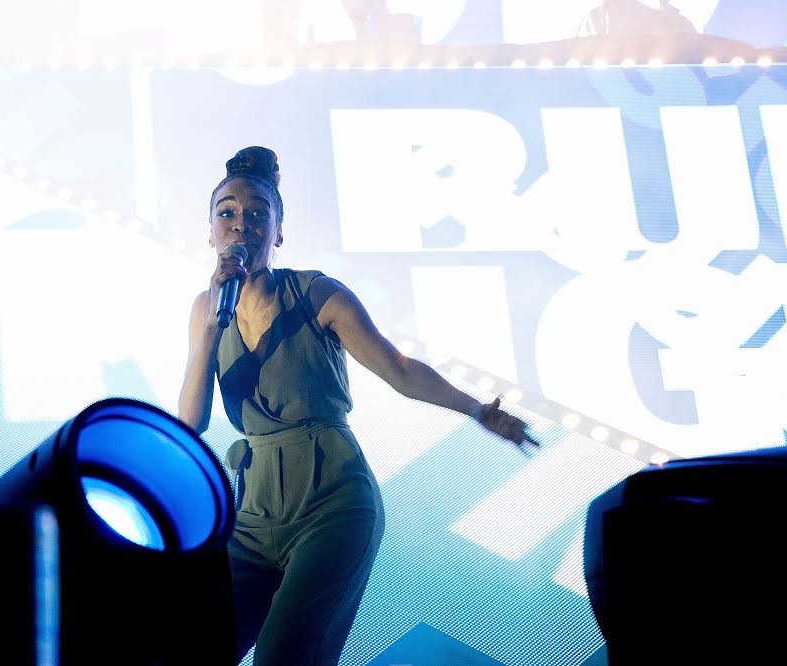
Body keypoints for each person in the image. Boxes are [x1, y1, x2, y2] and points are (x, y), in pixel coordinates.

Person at [178, 146, 540, 665]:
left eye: (259, 214)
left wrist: (479, 410)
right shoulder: (205, 309)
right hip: (254, 510)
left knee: (286, 656)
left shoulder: (315, 292)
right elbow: (188, 423)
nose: (241, 225)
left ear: (278, 232)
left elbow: (400, 369)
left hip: (332, 498)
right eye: (227, 213)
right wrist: (212, 330)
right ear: (211, 229)